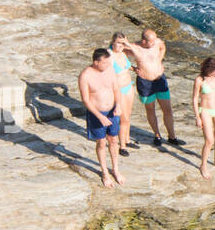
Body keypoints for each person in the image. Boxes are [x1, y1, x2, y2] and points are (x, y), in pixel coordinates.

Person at [120, 29, 179, 146]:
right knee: (150, 109)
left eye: (155, 40)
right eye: (151, 41)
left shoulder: (157, 42)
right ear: (144, 41)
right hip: (145, 82)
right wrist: (133, 68)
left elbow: (163, 47)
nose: (154, 43)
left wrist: (159, 60)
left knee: (167, 109)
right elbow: (121, 54)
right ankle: (157, 135)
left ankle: (172, 137)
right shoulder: (135, 48)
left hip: (160, 80)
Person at [76, 48, 124, 188]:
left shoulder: (109, 70)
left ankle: (115, 169)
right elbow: (86, 100)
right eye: (105, 63)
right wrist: (99, 116)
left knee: (114, 140)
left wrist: (118, 105)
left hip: (112, 111)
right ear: (96, 62)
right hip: (97, 113)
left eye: (109, 63)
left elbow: (116, 89)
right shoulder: (85, 75)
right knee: (102, 142)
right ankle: (104, 172)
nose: (108, 66)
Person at [109, 33, 137, 155]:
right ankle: (122, 146)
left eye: (122, 43)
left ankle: (127, 138)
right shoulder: (109, 55)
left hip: (128, 87)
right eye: (118, 43)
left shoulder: (124, 53)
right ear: (112, 42)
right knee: (123, 118)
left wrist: (134, 69)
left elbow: (136, 55)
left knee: (128, 116)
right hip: (118, 90)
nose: (120, 46)